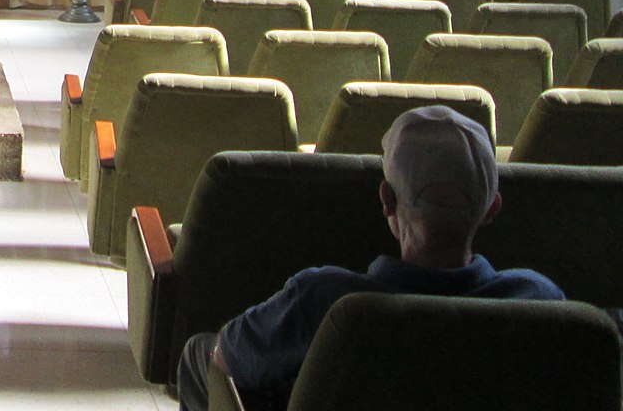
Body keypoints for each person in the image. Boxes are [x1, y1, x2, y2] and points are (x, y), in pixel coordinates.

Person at [176, 105, 564, 411]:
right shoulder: (542, 302)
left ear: (387, 199)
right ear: (492, 208)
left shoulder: (325, 299)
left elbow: (228, 357)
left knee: (201, 353)